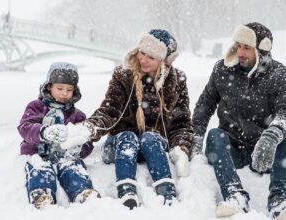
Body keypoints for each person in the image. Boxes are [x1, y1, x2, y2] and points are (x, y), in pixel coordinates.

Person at [192, 22, 286, 219]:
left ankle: (279, 201)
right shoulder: (222, 70)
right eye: (238, 46)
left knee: (284, 137)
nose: (240, 52)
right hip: (230, 150)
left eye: (246, 47)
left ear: (261, 50)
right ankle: (235, 195)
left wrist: (271, 136)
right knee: (215, 135)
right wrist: (195, 138)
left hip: (263, 152)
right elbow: (205, 105)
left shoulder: (280, 75)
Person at [66, 29, 193, 209]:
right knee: (128, 137)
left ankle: (167, 191)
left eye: (151, 56)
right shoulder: (123, 75)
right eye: (142, 52)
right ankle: (126, 191)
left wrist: (181, 147)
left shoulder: (177, 80)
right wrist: (89, 128)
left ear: (164, 61)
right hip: (119, 145)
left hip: (152, 147)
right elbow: (109, 110)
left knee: (151, 137)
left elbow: (182, 122)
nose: (143, 59)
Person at [18, 62, 100, 209]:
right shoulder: (36, 107)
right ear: (49, 86)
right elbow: (25, 127)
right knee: (40, 168)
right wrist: (44, 132)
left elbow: (86, 140)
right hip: (38, 153)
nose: (64, 93)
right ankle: (42, 193)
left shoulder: (77, 116)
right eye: (60, 88)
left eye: (69, 90)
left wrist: (79, 148)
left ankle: (83, 191)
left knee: (73, 168)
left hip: (65, 156)